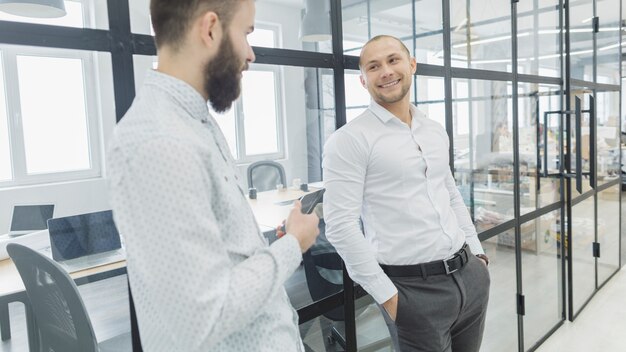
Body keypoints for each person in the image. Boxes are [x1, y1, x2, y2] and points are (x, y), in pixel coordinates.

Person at [106, 0, 320, 350]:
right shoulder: (159, 141)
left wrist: (267, 246)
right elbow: (204, 316)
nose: (250, 54)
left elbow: (220, 258)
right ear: (210, 29)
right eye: (246, 34)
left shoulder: (194, 122)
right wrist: (293, 244)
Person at [323, 35, 490, 352]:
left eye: (393, 60)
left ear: (411, 64)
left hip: (468, 275)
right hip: (412, 292)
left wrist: (477, 255)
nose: (385, 71)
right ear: (363, 79)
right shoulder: (350, 140)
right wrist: (388, 297)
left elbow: (450, 194)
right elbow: (340, 225)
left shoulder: (433, 129)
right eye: (374, 66)